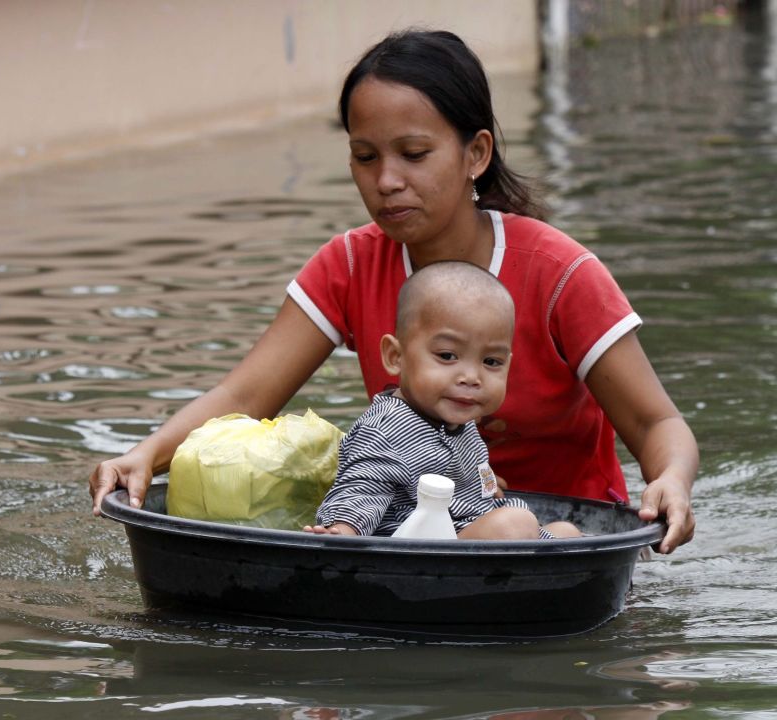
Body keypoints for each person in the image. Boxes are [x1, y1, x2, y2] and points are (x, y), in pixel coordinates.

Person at [89, 29, 698, 554]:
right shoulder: (351, 263)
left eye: (413, 154)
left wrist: (670, 479)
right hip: (412, 543)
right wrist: (146, 455)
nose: (386, 182)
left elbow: (655, 423)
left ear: (475, 154)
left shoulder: (560, 272)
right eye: (364, 156)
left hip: (556, 542)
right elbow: (246, 394)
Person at [302, 261, 580, 539]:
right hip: (424, 554)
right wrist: (342, 531)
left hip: (471, 529)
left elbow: (472, 487)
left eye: (491, 361)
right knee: (515, 524)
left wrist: (486, 487)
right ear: (395, 357)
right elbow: (361, 488)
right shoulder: (387, 429)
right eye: (447, 356)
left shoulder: (457, 421)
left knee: (566, 532)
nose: (472, 377)